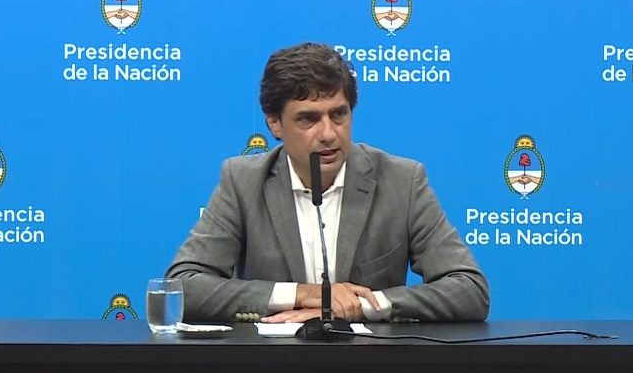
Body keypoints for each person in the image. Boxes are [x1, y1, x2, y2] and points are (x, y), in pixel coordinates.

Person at [164, 42, 490, 324]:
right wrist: (302, 295)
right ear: (274, 123)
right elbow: (182, 286)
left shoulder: (401, 181)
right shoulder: (243, 182)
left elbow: (470, 289)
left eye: (338, 114)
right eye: (308, 118)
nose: (328, 134)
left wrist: (363, 305)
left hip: (372, 367)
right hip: (272, 367)